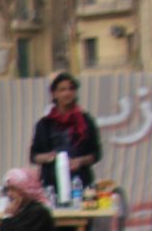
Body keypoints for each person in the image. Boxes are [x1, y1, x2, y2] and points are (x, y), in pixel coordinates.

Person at [29, 71, 100, 202]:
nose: (67, 93)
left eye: (71, 89)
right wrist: (49, 157)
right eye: (62, 90)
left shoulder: (86, 121)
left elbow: (96, 154)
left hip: (80, 182)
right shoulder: (44, 124)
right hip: (51, 184)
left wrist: (80, 161)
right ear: (54, 94)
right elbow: (34, 156)